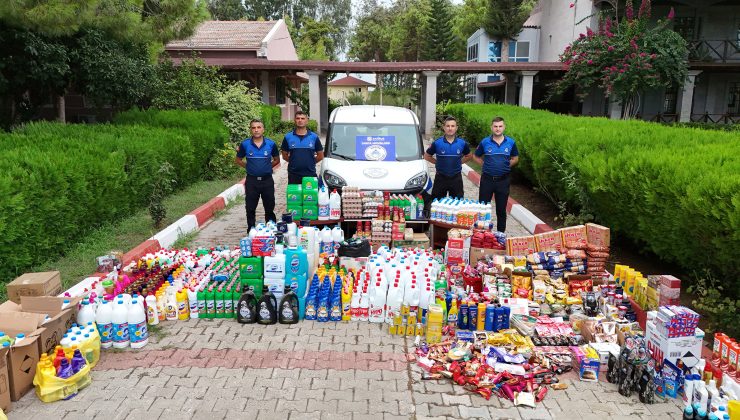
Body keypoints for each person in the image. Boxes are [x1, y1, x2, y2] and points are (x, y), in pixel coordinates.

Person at [473, 116, 519, 233]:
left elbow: (515, 158)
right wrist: (484, 165)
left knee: (501, 210)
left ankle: (500, 235)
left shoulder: (511, 142)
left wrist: (506, 166)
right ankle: (481, 233)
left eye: (500, 126)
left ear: (504, 127)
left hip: (503, 181)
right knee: (483, 209)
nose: (498, 129)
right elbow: (475, 156)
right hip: (487, 180)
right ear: (491, 127)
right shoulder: (485, 142)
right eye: (495, 126)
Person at [235, 119, 280, 230]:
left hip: (267, 181)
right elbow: (238, 160)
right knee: (250, 208)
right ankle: (251, 230)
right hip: (252, 181)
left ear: (263, 129)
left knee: (269, 207)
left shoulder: (271, 144)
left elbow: (276, 160)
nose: (256, 130)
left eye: (258, 127)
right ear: (250, 130)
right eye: (253, 128)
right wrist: (250, 167)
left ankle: (271, 229)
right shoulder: (245, 144)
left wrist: (267, 167)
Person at [424, 116, 472, 200]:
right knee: (437, 205)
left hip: (456, 178)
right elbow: (427, 156)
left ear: (456, 128)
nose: (450, 128)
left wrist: (459, 162)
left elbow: (469, 155)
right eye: (448, 126)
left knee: (457, 205)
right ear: (444, 128)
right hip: (440, 178)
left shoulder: (462, 143)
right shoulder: (437, 143)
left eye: (452, 126)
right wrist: (437, 162)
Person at [281, 111, 324, 185]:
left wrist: (311, 162)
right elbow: (284, 155)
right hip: (293, 174)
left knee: (310, 196)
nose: (300, 120)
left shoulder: (314, 137)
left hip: (310, 173)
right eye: (298, 118)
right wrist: (293, 161)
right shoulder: (288, 137)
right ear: (294, 120)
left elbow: (320, 155)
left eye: (302, 118)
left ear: (307, 121)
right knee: (294, 196)